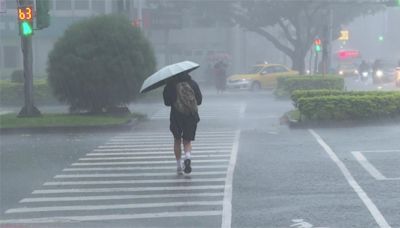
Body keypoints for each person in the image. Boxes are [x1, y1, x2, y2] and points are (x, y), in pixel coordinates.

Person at [163, 73, 202, 174]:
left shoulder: (170, 85)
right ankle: (188, 156)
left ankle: (178, 165)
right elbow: (199, 101)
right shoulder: (193, 83)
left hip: (176, 116)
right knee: (187, 140)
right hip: (191, 115)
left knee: (177, 140)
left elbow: (167, 103)